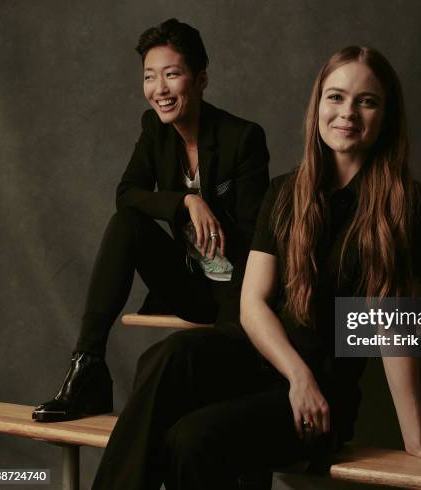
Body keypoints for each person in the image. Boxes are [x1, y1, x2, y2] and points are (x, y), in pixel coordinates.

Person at [91, 45, 421, 490]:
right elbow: (252, 304)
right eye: (336, 97)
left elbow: (392, 328)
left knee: (192, 440)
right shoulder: (285, 193)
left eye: (366, 101)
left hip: (324, 389)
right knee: (168, 356)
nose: (347, 113)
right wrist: (295, 375)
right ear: (318, 105)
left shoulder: (408, 204)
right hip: (265, 359)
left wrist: (414, 438)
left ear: (386, 115)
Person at [32, 18, 270, 422]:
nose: (159, 90)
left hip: (238, 291)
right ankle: (87, 365)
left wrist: (248, 312)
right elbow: (128, 195)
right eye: (149, 77)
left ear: (201, 79)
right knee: (126, 223)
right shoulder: (155, 131)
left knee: (210, 401)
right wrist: (184, 203)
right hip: (189, 285)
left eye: (172, 75)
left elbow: (256, 239)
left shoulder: (242, 138)